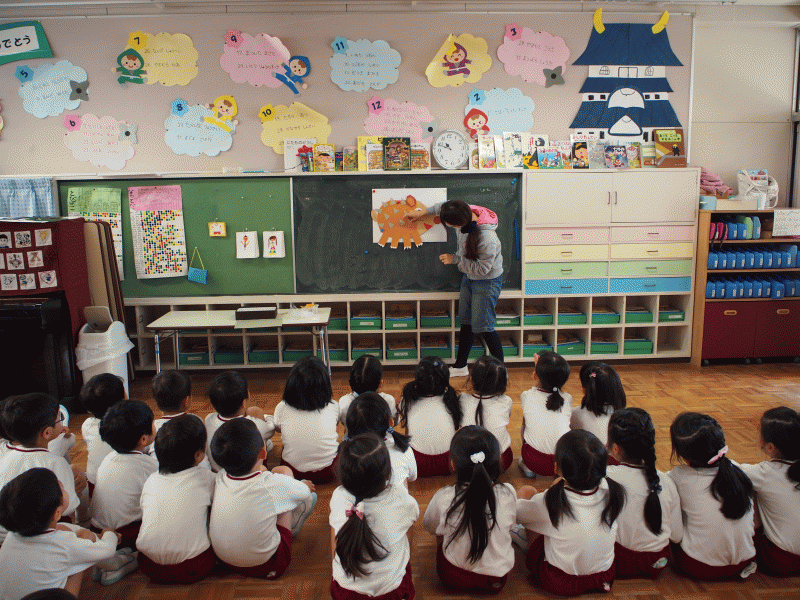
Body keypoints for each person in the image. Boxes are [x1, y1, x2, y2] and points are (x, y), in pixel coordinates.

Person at [515, 429, 625, 596]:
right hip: (603, 577)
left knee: (527, 492)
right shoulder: (613, 491)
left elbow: (518, 514)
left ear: (556, 467)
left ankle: (520, 536)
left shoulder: (551, 501)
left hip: (560, 582)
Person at [209, 418, 317, 578]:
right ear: (263, 453)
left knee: (271, 482)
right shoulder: (271, 485)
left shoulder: (219, 478)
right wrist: (304, 485)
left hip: (223, 560)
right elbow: (304, 493)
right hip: (269, 566)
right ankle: (294, 525)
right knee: (286, 475)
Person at [423, 426, 516, 593]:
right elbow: (511, 526)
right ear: (498, 461)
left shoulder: (444, 497)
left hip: (453, 577)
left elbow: (429, 526)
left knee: (440, 528)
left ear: (453, 464)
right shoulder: (508, 493)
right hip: (495, 580)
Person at [0, 469, 118, 600]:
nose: (63, 485)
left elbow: (64, 529)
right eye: (61, 488)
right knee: (85, 541)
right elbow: (108, 550)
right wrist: (109, 533)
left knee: (72, 535)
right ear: (56, 513)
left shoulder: (12, 535)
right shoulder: (64, 545)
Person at [417, 199, 503, 377]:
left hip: (486, 281)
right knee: (466, 322)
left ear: (458, 223)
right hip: (469, 278)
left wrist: (455, 259)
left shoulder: (488, 239)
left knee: (484, 326)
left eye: (449, 224)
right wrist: (422, 212)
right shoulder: (465, 211)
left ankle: (501, 371)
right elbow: (443, 206)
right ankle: (460, 366)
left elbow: (483, 269)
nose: (448, 226)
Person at [667, 412, 756, 580]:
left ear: (683, 455)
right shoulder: (737, 469)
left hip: (698, 566)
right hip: (743, 562)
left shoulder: (679, 476)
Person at [330, 433, 419, 600]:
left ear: (343, 474)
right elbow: (409, 537)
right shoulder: (402, 499)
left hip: (346, 593)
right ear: (387, 473)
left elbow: (335, 541)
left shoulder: (338, 497)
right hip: (392, 593)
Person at [136, 415, 216, 584]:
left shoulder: (151, 480)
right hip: (193, 566)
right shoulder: (205, 477)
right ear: (199, 455)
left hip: (148, 566)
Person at [0, 393, 85, 545]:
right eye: (60, 419)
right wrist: (75, 490)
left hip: (6, 538)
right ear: (47, 432)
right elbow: (69, 507)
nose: (62, 423)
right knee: (84, 533)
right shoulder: (55, 462)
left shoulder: (5, 459)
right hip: (35, 537)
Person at [606, 408, 682, 578]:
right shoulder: (666, 481)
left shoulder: (605, 477)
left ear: (615, 448)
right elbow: (677, 536)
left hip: (616, 561)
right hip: (657, 563)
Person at [739, 406, 800, 575]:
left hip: (781, 560)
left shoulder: (765, 473)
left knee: (751, 488)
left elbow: (730, 470)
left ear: (770, 447)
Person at [91, 400, 157, 553]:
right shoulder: (147, 465)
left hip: (97, 529)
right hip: (124, 535)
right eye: (153, 423)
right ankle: (126, 558)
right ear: (143, 439)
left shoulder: (108, 459)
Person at [274, 356, 339, 484]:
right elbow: (335, 424)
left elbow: (278, 428)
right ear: (325, 386)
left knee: (284, 447)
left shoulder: (282, 407)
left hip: (293, 472)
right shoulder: (334, 406)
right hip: (329, 472)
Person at [398, 356, 462, 477]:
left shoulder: (406, 401)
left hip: (417, 465)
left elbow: (407, 431)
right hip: (450, 463)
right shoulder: (452, 399)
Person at [204, 370, 275, 472]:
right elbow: (271, 427)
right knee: (256, 412)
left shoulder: (208, 419)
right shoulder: (253, 425)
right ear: (244, 402)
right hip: (246, 472)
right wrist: (266, 417)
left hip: (218, 472)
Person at [344, 392, 416, 488]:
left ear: (349, 426)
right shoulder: (403, 449)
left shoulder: (347, 455)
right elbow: (412, 477)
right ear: (391, 422)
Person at [518, 351, 572, 478]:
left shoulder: (526, 396)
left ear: (535, 375)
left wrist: (539, 367)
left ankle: (526, 466)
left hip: (533, 460)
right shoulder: (568, 398)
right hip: (562, 462)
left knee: (525, 423)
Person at [458, 356, 513, 472]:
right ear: (503, 383)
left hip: (468, 463)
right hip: (501, 461)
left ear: (472, 380)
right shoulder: (506, 401)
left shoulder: (462, 399)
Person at [78, 373, 125, 491]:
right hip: (122, 485)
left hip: (94, 485)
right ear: (121, 402)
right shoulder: (129, 425)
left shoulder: (87, 425)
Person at [571, 362, 627, 457]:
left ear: (585, 388)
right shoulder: (628, 417)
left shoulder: (576, 414)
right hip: (618, 463)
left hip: (589, 463)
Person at [338, 354, 396, 437]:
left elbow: (344, 423)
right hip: (381, 444)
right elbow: (394, 422)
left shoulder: (344, 402)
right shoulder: (389, 400)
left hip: (353, 444)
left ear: (351, 381)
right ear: (380, 383)